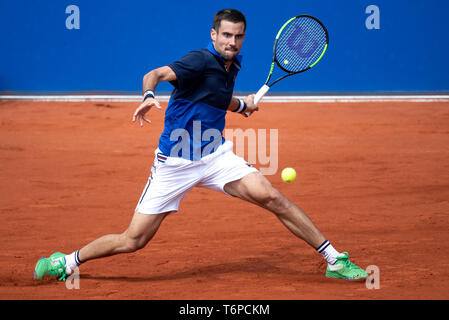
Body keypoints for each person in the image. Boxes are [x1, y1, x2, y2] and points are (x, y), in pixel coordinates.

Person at [34, 9, 367, 282]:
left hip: (215, 155)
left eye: (238, 36)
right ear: (213, 35)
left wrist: (241, 106)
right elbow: (154, 74)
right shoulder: (198, 60)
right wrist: (149, 97)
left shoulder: (231, 66)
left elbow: (216, 97)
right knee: (133, 240)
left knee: (273, 197)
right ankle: (66, 261)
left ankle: (334, 260)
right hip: (175, 163)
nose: (232, 42)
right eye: (226, 35)